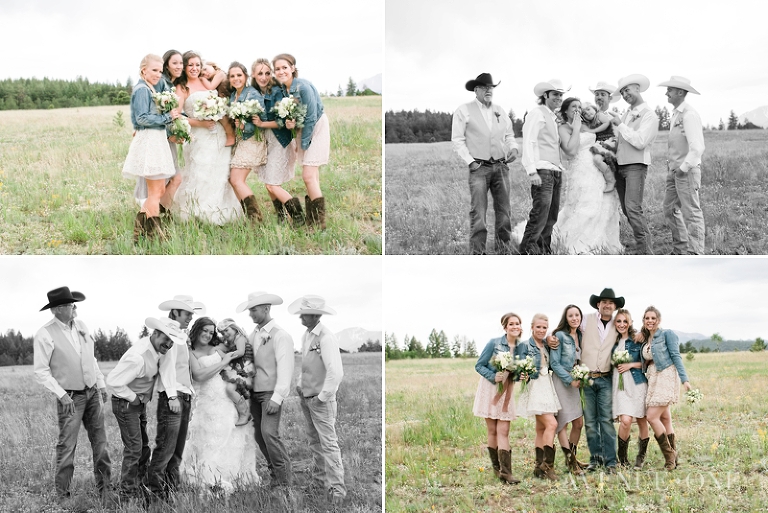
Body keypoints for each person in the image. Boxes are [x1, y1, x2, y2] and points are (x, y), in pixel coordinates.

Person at [33, 286, 111, 500]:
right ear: (57, 309)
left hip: (92, 392)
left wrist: (101, 384)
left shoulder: (82, 326)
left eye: (73, 303)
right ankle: (63, 495)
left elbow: (91, 358)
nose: (74, 307)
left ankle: (105, 489)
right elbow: (41, 371)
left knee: (101, 443)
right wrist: (62, 395)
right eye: (69, 304)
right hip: (70, 397)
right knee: (67, 446)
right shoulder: (45, 334)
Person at [107, 317, 185, 501]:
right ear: (155, 333)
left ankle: (139, 484)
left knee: (142, 448)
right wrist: (134, 398)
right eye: (166, 338)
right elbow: (113, 381)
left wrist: (170, 396)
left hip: (138, 404)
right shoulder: (138, 357)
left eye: (172, 341)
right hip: (125, 403)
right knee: (134, 449)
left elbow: (166, 371)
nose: (169, 344)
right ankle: (127, 494)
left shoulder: (160, 350)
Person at [181, 317, 260, 490]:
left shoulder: (217, 346)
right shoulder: (191, 351)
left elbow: (237, 349)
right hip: (208, 399)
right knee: (209, 439)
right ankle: (211, 476)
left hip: (226, 397)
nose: (208, 335)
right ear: (197, 330)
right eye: (205, 331)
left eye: (211, 332)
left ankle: (232, 474)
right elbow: (199, 375)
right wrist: (223, 362)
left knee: (230, 435)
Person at [451, 72, 519, 255]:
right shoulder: (463, 110)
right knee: (478, 214)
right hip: (479, 167)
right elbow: (457, 140)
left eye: (491, 87)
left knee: (504, 212)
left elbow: (509, 135)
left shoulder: (500, 110)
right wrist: (470, 162)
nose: (489, 90)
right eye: (485, 87)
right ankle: (478, 253)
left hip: (501, 166)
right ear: (476, 90)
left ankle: (503, 250)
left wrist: (513, 148)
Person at [288, 295, 346, 506]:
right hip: (307, 397)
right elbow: (307, 364)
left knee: (329, 444)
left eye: (304, 313)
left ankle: (337, 490)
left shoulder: (326, 337)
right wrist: (301, 383)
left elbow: (335, 372)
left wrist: (323, 397)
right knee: (315, 442)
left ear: (315, 315)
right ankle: (320, 482)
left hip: (320, 400)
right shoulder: (306, 336)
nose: (300, 316)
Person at [172, 50, 243, 225]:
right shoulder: (182, 88)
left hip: (220, 135)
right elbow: (176, 115)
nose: (195, 68)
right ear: (184, 67)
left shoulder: (208, 83)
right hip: (199, 137)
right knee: (201, 171)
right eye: (191, 65)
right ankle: (198, 211)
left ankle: (220, 209)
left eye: (198, 65)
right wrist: (199, 123)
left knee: (220, 171)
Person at [145, 295, 203, 502]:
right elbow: (166, 366)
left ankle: (171, 491)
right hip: (173, 396)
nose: (190, 317)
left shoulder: (181, 334)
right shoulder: (167, 331)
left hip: (183, 395)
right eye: (187, 314)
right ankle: (154, 495)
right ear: (176, 312)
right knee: (165, 449)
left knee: (177, 451)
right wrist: (172, 396)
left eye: (191, 314)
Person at [236, 291, 295, 486]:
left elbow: (285, 369)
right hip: (253, 393)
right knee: (260, 436)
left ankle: (285, 481)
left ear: (267, 308)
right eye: (250, 310)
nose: (251, 314)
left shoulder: (281, 336)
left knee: (270, 434)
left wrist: (277, 397)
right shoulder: (252, 335)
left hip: (270, 393)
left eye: (254, 310)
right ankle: (275, 476)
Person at [121, 54, 180, 241]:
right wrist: (169, 117)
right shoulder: (142, 90)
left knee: (159, 191)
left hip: (156, 140)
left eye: (160, 71)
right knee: (156, 192)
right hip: (150, 142)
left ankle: (142, 233)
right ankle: (154, 234)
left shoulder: (150, 88)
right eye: (154, 70)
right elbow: (142, 118)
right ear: (143, 69)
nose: (158, 74)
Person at [552, 98, 621, 254]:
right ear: (565, 111)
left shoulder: (586, 124)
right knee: (585, 203)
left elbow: (605, 126)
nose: (578, 109)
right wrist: (576, 128)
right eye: (573, 107)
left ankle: (602, 242)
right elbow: (570, 151)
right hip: (580, 168)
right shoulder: (563, 128)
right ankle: (579, 244)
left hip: (596, 167)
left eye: (579, 106)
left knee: (603, 202)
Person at [273, 53, 330, 229]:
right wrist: (291, 124)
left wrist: (303, 143)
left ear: (292, 68)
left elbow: (311, 116)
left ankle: (319, 223)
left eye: (284, 67)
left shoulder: (302, 87)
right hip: (302, 129)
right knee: (313, 177)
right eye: (277, 69)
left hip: (316, 129)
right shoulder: (285, 90)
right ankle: (312, 220)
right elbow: (294, 119)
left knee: (307, 175)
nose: (281, 71)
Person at [519, 79, 576, 255]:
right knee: (540, 214)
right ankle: (526, 250)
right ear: (546, 95)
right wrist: (531, 170)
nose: (559, 98)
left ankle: (544, 250)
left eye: (561, 95)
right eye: (555, 94)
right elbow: (529, 141)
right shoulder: (537, 113)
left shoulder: (552, 117)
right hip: (542, 170)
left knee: (551, 216)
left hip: (556, 171)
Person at [608, 74, 659, 255]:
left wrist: (621, 125)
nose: (624, 94)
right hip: (621, 165)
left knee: (633, 208)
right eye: (622, 92)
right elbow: (622, 138)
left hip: (636, 165)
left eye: (627, 90)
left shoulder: (649, 115)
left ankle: (647, 251)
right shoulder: (627, 113)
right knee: (627, 209)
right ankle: (642, 245)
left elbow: (640, 141)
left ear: (637, 89)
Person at [250, 58, 304, 225]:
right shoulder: (253, 93)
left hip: (279, 140)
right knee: (269, 184)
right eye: (260, 73)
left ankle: (298, 216)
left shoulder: (277, 92)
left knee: (273, 184)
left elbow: (283, 120)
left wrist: (262, 123)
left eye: (267, 73)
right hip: (265, 141)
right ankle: (281, 216)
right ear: (253, 74)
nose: (264, 77)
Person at [637, 306, 691, 470]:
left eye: (653, 318)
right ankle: (674, 455)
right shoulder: (646, 339)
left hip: (666, 375)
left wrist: (685, 380)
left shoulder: (667, 334)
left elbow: (676, 356)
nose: (650, 321)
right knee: (665, 418)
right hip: (652, 377)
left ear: (658, 320)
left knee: (652, 417)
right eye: (647, 318)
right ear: (644, 321)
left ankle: (669, 456)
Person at [472, 312, 523, 485]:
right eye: (511, 324)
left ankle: (506, 473)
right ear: (505, 327)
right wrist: (494, 376)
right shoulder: (493, 343)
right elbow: (479, 365)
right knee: (492, 430)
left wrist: (521, 376)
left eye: (518, 323)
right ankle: (497, 469)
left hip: (506, 393)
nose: (515, 326)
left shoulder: (521, 348)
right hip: (490, 388)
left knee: (504, 430)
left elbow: (516, 373)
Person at [658, 76, 706, 255]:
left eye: (669, 90)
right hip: (674, 170)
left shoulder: (689, 114)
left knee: (692, 213)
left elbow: (697, 147)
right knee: (669, 209)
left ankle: (696, 253)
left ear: (679, 92)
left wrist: (683, 169)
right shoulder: (676, 114)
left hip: (686, 171)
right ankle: (680, 249)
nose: (666, 93)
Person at [135, 49, 185, 212]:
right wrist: (170, 131)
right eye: (174, 63)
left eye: (180, 63)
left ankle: (158, 215)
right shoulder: (156, 84)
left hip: (164, 136)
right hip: (157, 138)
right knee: (158, 187)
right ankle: (149, 221)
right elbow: (150, 114)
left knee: (171, 180)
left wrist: (180, 128)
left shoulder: (169, 84)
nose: (179, 66)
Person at [580, 288, 622, 472]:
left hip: (606, 378)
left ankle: (611, 462)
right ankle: (595, 459)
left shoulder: (618, 323)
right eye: (604, 301)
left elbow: (634, 336)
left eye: (611, 303)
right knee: (590, 422)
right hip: (586, 378)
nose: (607, 305)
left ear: (615, 306)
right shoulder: (585, 320)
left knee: (606, 421)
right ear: (598, 304)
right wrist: (552, 338)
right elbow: (568, 329)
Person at [516, 314, 561, 480]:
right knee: (552, 424)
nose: (541, 330)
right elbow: (516, 368)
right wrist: (520, 375)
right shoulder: (525, 346)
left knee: (541, 428)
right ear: (532, 327)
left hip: (547, 386)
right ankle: (548, 467)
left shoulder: (546, 345)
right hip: (535, 387)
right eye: (538, 327)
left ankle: (538, 467)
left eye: (544, 327)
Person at [227, 61, 267, 222]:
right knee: (233, 179)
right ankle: (249, 216)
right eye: (232, 76)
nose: (236, 78)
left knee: (236, 179)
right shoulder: (233, 96)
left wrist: (245, 125)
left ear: (245, 76)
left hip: (252, 139)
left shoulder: (253, 94)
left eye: (239, 75)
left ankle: (256, 218)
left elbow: (262, 120)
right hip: (240, 140)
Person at [548, 304, 586, 476]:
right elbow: (554, 364)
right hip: (562, 381)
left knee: (578, 423)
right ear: (566, 317)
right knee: (562, 423)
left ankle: (573, 457)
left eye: (577, 315)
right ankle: (571, 462)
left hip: (576, 382)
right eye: (571, 316)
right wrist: (570, 380)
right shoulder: (559, 336)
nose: (574, 318)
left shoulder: (580, 335)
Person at [611, 308, 650, 469]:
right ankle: (622, 457)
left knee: (642, 420)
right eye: (618, 321)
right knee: (625, 421)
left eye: (625, 321)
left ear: (630, 323)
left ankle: (641, 456)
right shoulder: (610, 341)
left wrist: (630, 365)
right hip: (619, 386)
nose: (622, 324)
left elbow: (647, 362)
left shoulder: (637, 339)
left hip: (637, 383)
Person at [216, 317, 255, 426]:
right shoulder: (232, 341)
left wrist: (225, 356)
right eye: (223, 332)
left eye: (226, 330)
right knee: (228, 388)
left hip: (245, 369)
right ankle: (242, 411)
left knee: (230, 389)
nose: (225, 334)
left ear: (234, 328)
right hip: (239, 369)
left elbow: (241, 352)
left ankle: (244, 413)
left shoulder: (239, 337)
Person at [588, 82, 621, 192]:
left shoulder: (614, 116)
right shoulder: (589, 116)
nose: (599, 97)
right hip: (593, 152)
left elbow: (618, 136)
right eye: (597, 94)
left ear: (610, 98)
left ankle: (611, 181)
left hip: (610, 153)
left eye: (603, 94)